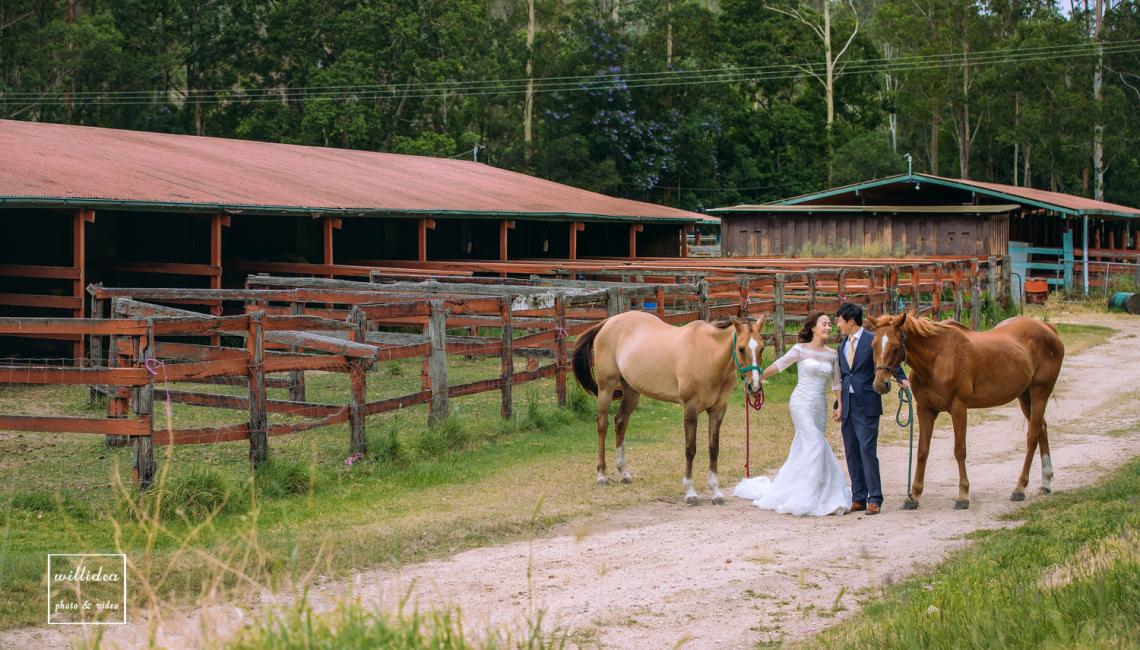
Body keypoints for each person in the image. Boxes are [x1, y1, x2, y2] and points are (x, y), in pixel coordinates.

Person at [732, 312, 851, 516]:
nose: (828, 327)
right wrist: (757, 378)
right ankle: (807, 495)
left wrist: (839, 404)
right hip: (800, 403)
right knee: (815, 444)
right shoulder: (800, 349)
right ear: (813, 327)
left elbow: (836, 382)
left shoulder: (833, 354)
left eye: (830, 324)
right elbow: (780, 365)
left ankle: (807, 489)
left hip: (819, 407)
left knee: (805, 447)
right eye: (824, 324)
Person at [834, 302, 909, 516]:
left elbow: (888, 360)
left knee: (867, 450)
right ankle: (858, 496)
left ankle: (874, 498)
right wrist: (838, 404)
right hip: (847, 404)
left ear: (850, 321)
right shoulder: (842, 345)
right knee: (851, 451)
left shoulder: (872, 339)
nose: (837, 324)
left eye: (839, 320)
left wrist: (902, 379)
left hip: (867, 402)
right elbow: (843, 376)